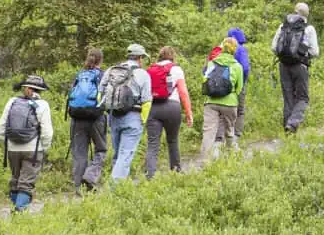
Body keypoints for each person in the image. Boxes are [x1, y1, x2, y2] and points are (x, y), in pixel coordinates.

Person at [0, 74, 53, 211]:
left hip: (12, 148)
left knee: (15, 179)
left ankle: (16, 207)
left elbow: (1, 127)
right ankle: (20, 211)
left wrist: (6, 143)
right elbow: (47, 132)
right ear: (40, 90)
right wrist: (44, 147)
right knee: (27, 182)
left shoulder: (12, 102)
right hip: (33, 149)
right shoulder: (43, 105)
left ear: (25, 88)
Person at [99, 43, 152, 181]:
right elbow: (147, 101)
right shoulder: (143, 74)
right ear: (140, 58)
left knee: (118, 154)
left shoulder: (111, 70)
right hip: (133, 117)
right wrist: (143, 121)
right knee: (126, 154)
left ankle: (121, 184)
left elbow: (100, 93)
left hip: (114, 116)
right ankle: (114, 187)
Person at [145, 46, 193, 178]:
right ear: (173, 56)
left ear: (159, 56)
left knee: (153, 144)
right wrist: (188, 112)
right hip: (172, 107)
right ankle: (176, 172)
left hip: (154, 108)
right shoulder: (176, 69)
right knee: (172, 140)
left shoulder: (150, 70)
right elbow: (183, 92)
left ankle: (150, 176)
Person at [272, 2, 319, 133]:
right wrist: (302, 54)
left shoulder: (283, 26)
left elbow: (274, 47)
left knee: (288, 97)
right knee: (303, 98)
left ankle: (287, 129)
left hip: (283, 65)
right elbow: (315, 52)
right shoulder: (309, 29)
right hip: (300, 66)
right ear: (307, 14)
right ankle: (292, 124)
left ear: (295, 11)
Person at [67, 47, 107, 193]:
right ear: (101, 60)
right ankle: (90, 177)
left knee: (79, 152)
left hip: (77, 117)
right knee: (101, 149)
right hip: (96, 118)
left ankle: (79, 187)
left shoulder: (80, 74)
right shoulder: (102, 75)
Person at [199, 36, 244, 160]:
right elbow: (239, 88)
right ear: (234, 50)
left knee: (208, 132)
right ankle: (230, 157)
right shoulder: (237, 66)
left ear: (222, 48)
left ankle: (205, 161)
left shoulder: (212, 63)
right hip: (230, 103)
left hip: (211, 102)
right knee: (229, 130)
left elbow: (205, 80)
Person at [227, 28, 250, 138]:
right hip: (239, 84)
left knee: (225, 109)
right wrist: (242, 81)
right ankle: (236, 134)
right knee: (240, 110)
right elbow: (245, 68)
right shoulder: (241, 50)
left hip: (224, 83)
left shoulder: (223, 48)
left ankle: (223, 135)